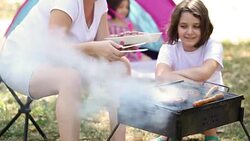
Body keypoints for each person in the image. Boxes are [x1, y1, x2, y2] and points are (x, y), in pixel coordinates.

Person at [0, 0, 129, 141]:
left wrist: (117, 47)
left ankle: (118, 139)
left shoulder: (100, 3)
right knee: (70, 79)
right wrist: (94, 48)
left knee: (121, 66)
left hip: (64, 62)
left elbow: (102, 46)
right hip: (23, 61)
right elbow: (53, 49)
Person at [155, 0, 223, 141]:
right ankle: (168, 135)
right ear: (176, 27)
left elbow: (204, 73)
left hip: (209, 99)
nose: (190, 32)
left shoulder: (213, 46)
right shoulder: (168, 48)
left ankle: (211, 137)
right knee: (170, 99)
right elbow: (161, 76)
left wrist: (172, 75)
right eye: (184, 26)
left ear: (204, 27)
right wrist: (194, 82)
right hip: (179, 97)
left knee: (205, 103)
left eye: (196, 26)